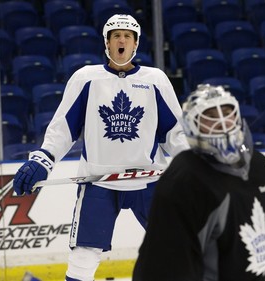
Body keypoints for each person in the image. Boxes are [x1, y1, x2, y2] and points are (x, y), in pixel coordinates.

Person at [12, 14, 189, 281]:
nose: (121, 40)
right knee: (83, 252)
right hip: (99, 181)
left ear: (136, 43)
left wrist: (192, 164)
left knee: (177, 248)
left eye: (127, 36)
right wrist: (42, 159)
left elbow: (173, 133)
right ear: (106, 43)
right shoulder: (86, 78)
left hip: (150, 179)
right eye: (116, 35)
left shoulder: (156, 80)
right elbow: (64, 128)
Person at [133, 84, 265, 281]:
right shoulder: (185, 180)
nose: (221, 124)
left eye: (226, 113)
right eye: (210, 117)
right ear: (192, 126)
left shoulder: (260, 168)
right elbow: (164, 259)